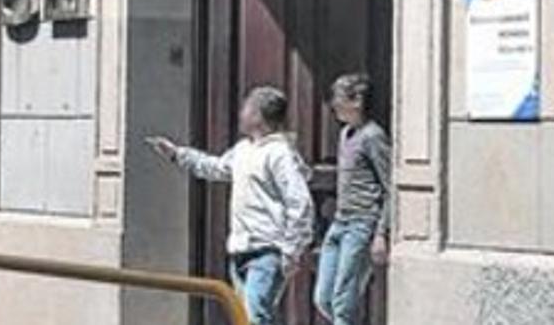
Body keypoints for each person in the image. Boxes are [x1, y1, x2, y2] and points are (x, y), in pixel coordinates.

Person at [148, 86, 314, 325]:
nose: (241, 114)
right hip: (240, 248)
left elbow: (299, 202)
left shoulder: (279, 153)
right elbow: (216, 168)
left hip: (268, 249)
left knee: (256, 315)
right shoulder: (243, 150)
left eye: (246, 108)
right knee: (243, 316)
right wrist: (178, 154)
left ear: (258, 116)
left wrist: (291, 249)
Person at [313, 74, 392, 325]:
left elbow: (390, 186)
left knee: (342, 301)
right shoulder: (346, 133)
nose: (333, 105)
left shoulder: (373, 136)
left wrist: (381, 232)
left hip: (362, 223)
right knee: (323, 297)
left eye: (338, 99)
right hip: (340, 222)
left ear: (356, 101)